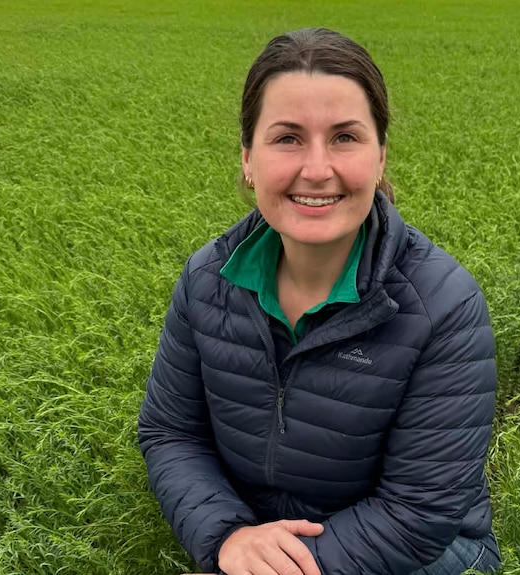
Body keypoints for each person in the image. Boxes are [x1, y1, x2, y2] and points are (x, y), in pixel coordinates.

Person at [138, 27, 500, 575]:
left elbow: (419, 512)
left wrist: (282, 568)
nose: (316, 168)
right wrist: (230, 538)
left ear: (380, 157)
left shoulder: (442, 308)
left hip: (419, 555)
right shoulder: (206, 281)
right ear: (247, 160)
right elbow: (171, 432)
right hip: (252, 539)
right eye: (287, 138)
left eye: (345, 137)